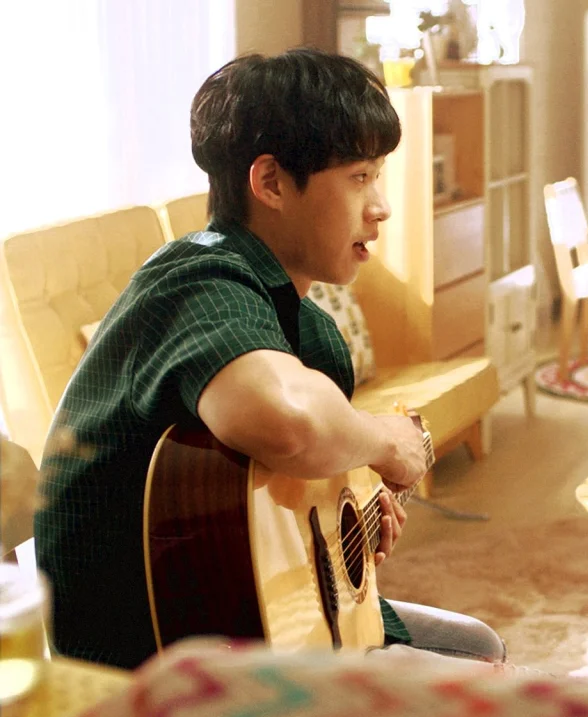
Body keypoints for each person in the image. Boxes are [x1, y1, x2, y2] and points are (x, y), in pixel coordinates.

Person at [34, 48, 505, 671]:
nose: (381, 206)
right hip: (155, 668)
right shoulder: (198, 280)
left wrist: (349, 527)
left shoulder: (303, 321)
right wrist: (386, 440)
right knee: (482, 669)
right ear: (272, 183)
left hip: (245, 626)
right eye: (359, 177)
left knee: (479, 645)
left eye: (378, 176)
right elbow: (287, 424)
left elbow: (277, 491)